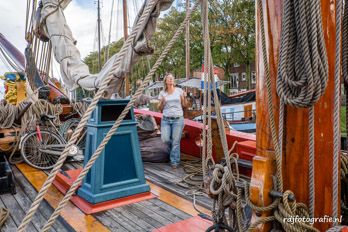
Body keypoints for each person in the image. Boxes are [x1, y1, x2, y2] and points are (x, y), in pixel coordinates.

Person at [158, 73, 187, 168]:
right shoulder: (162, 93)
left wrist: (184, 98)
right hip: (166, 119)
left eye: (172, 78)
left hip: (178, 119)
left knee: (175, 141)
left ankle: (174, 162)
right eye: (169, 78)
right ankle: (173, 154)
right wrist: (162, 102)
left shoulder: (179, 91)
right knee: (165, 139)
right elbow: (159, 107)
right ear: (166, 81)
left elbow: (185, 105)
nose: (171, 80)